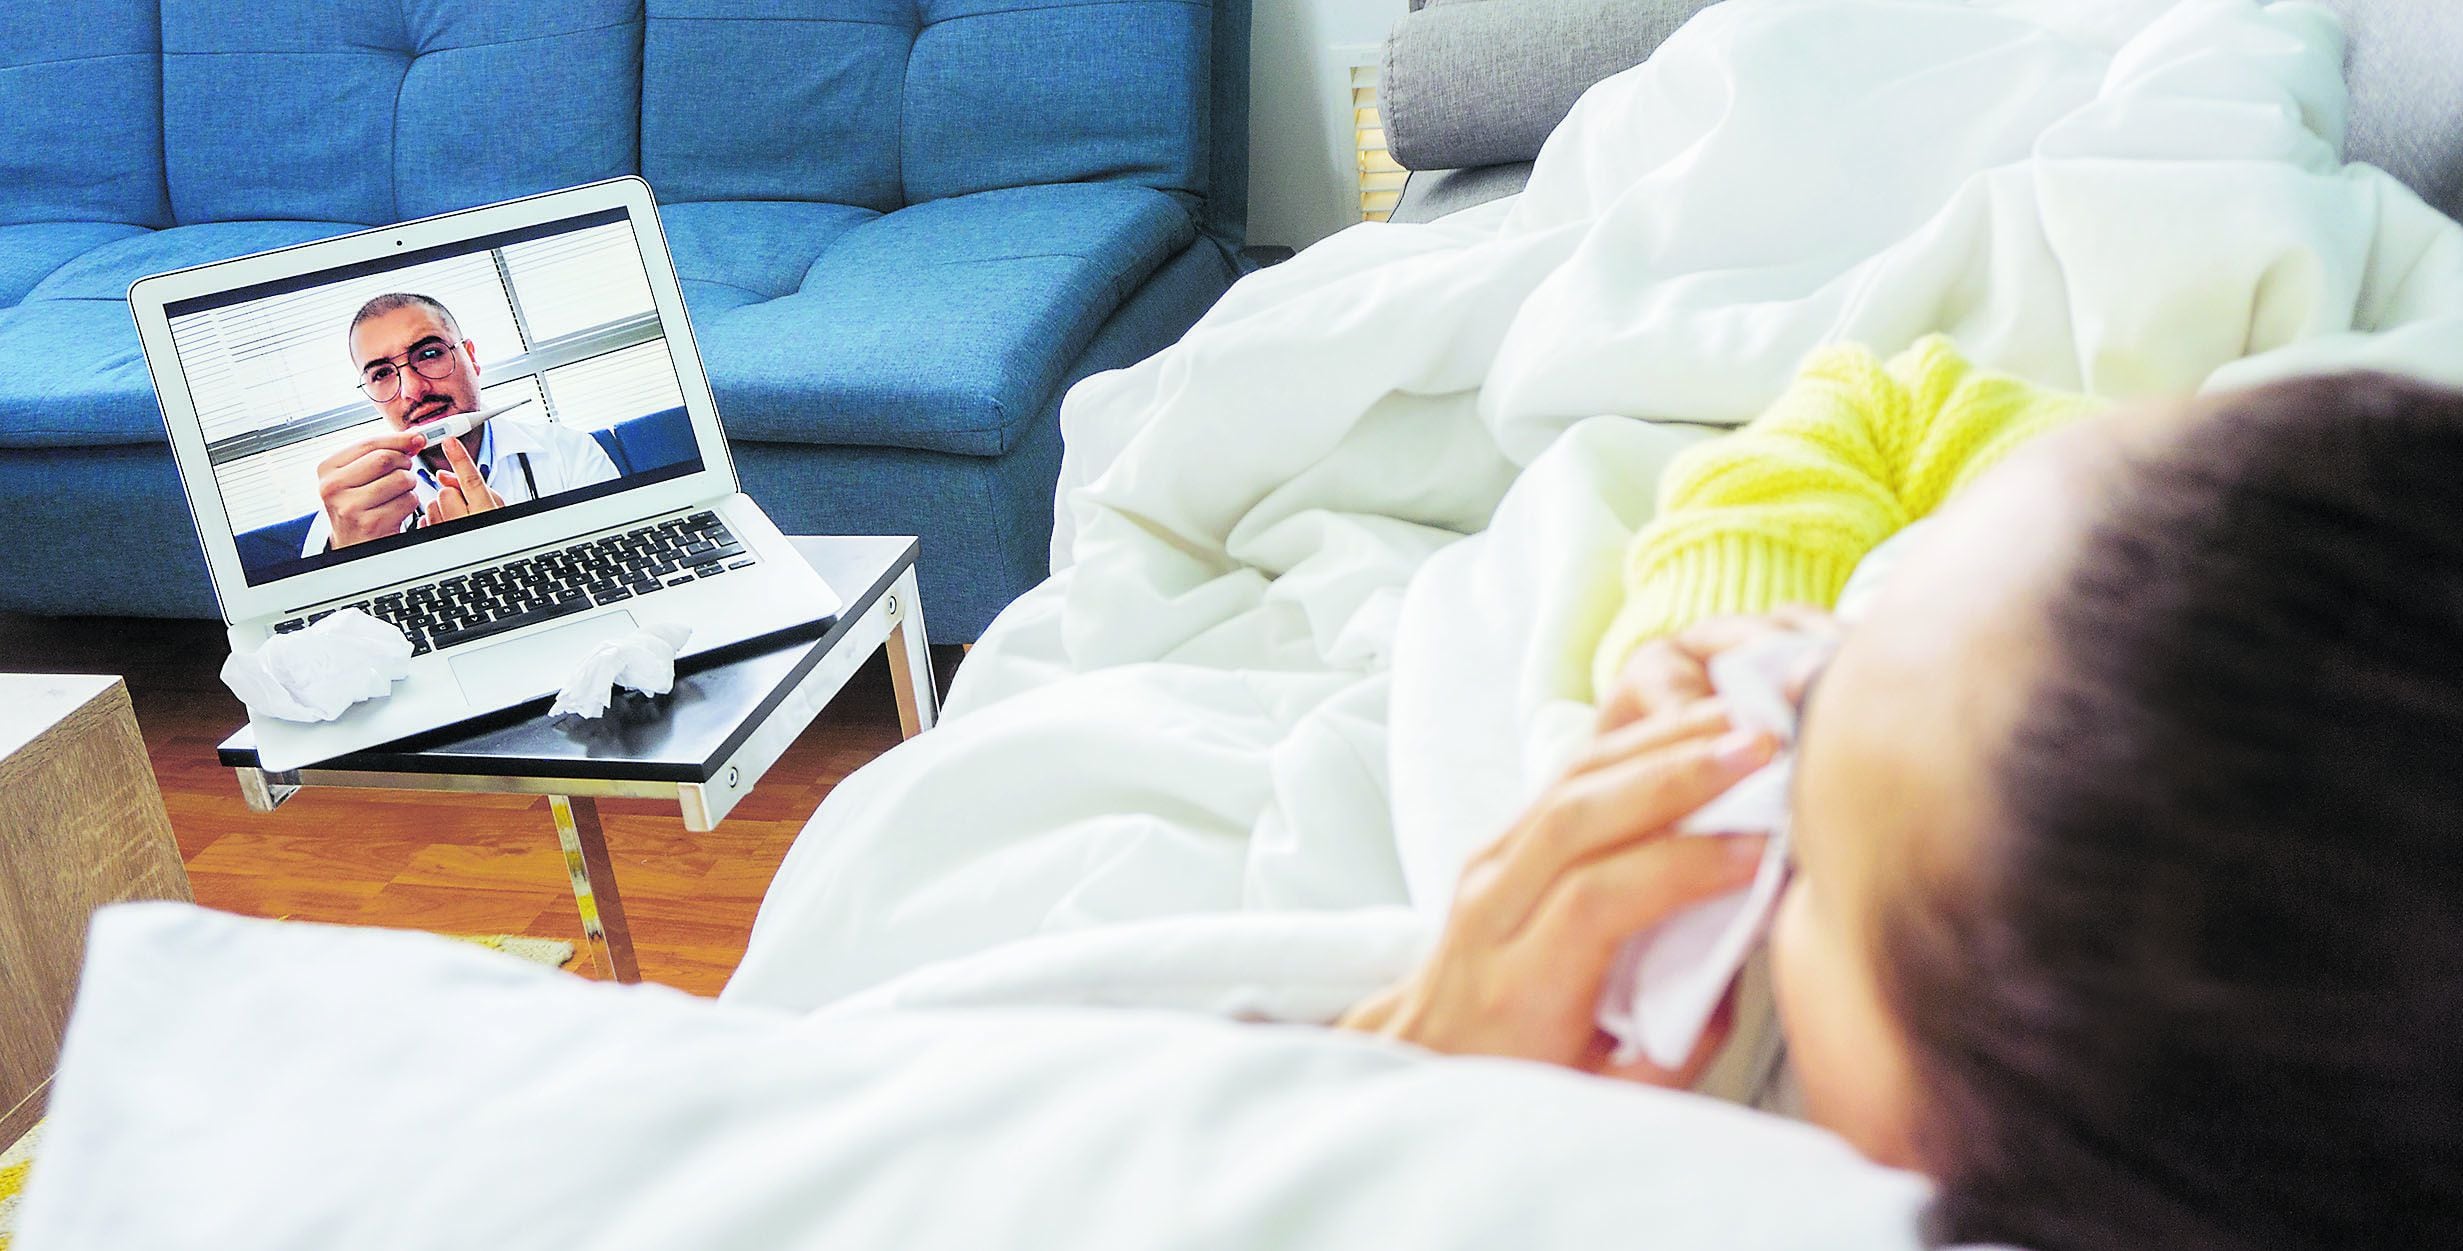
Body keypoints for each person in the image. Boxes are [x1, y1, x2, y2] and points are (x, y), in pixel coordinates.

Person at [1342, 366, 2463, 1249]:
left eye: (1811, 868)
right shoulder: (2227, 563)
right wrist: (1730, 620)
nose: (1775, 737)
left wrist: (1392, 1111)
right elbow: (1882, 403)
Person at [303, 292, 620, 554]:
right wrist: (350, 558)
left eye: (429, 353)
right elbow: (324, 626)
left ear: (471, 357)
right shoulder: (349, 509)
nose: (414, 390)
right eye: (382, 374)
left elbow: (620, 566)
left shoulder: (569, 452)